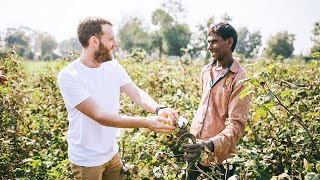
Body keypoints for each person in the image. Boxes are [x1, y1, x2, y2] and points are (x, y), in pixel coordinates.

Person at [57, 17, 178, 180]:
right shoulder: (70, 76)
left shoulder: (112, 66)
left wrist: (159, 108)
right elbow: (99, 116)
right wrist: (146, 122)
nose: (115, 43)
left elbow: (137, 93)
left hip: (112, 154)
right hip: (88, 161)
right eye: (111, 39)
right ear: (94, 41)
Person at [182, 22, 251, 179]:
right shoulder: (206, 71)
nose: (209, 47)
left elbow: (236, 125)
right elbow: (205, 109)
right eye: (208, 42)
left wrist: (209, 145)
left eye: (214, 41)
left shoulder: (240, 78)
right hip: (195, 153)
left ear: (229, 42)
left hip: (220, 161)